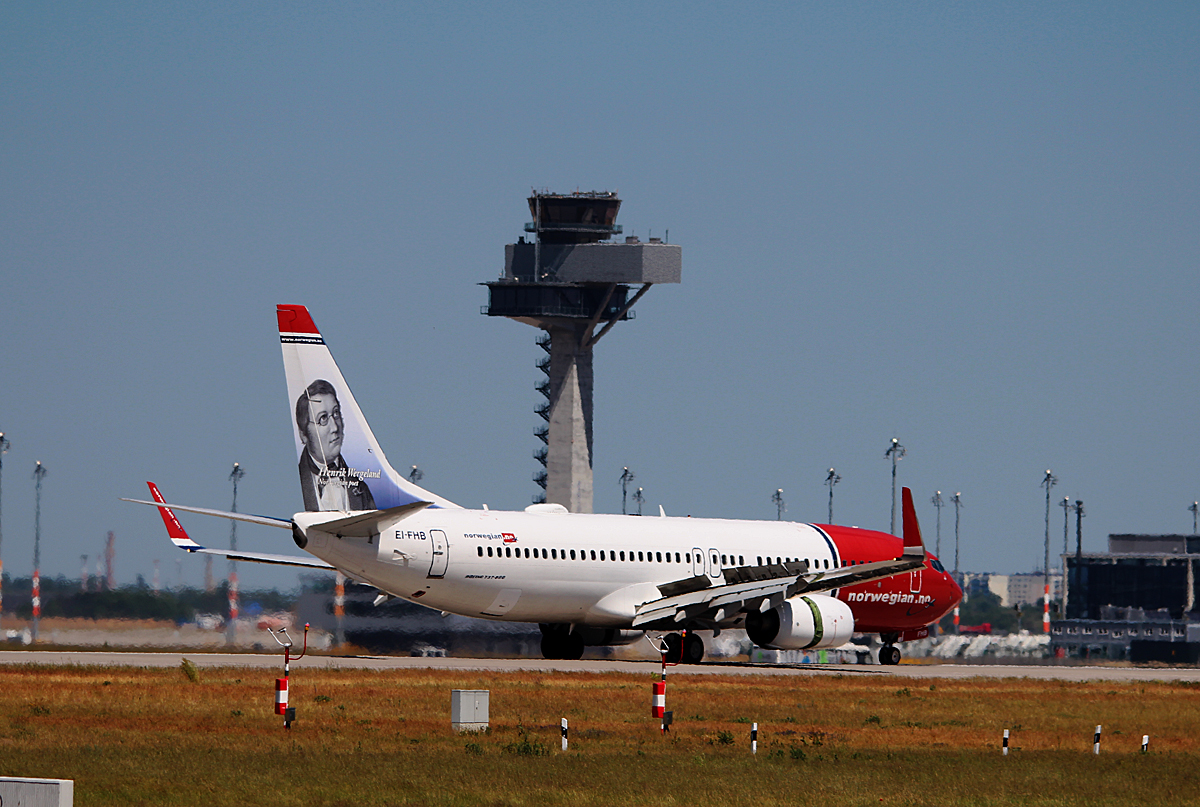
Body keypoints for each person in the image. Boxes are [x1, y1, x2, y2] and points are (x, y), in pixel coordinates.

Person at [295, 379, 377, 511]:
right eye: (323, 419)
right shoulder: (295, 485)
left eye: (336, 413)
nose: (335, 427)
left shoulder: (361, 488)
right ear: (303, 434)